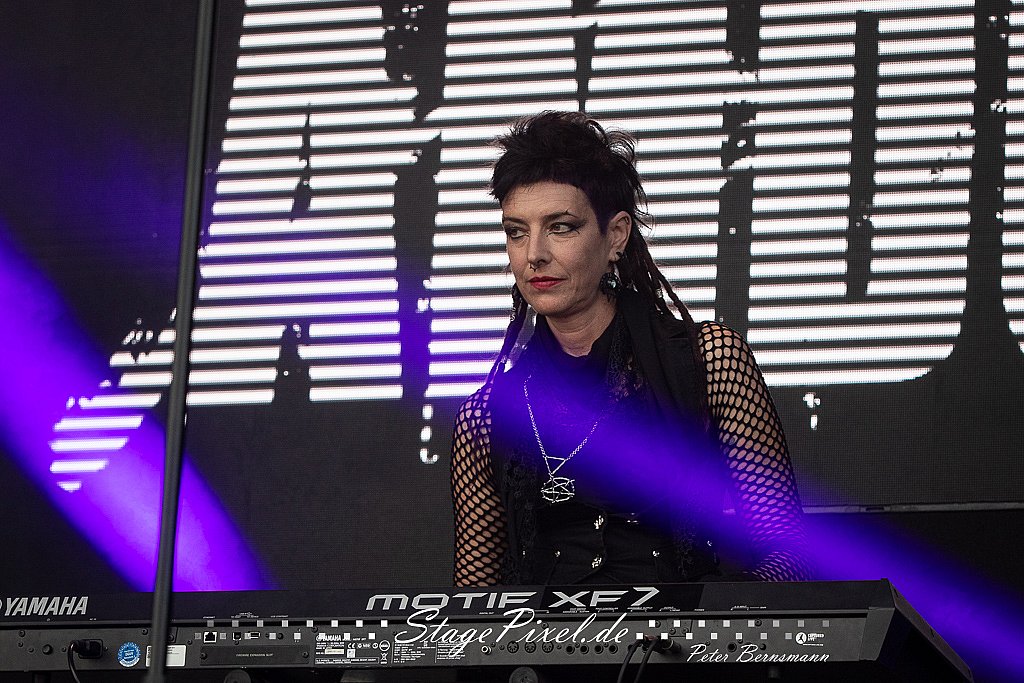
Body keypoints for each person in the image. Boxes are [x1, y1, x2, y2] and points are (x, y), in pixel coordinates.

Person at [450, 111, 809, 587]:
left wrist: (712, 615)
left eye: (561, 227)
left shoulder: (708, 361)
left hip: (687, 632)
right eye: (517, 231)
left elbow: (787, 549)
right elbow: (476, 606)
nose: (534, 253)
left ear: (615, 236)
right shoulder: (486, 416)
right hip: (543, 639)